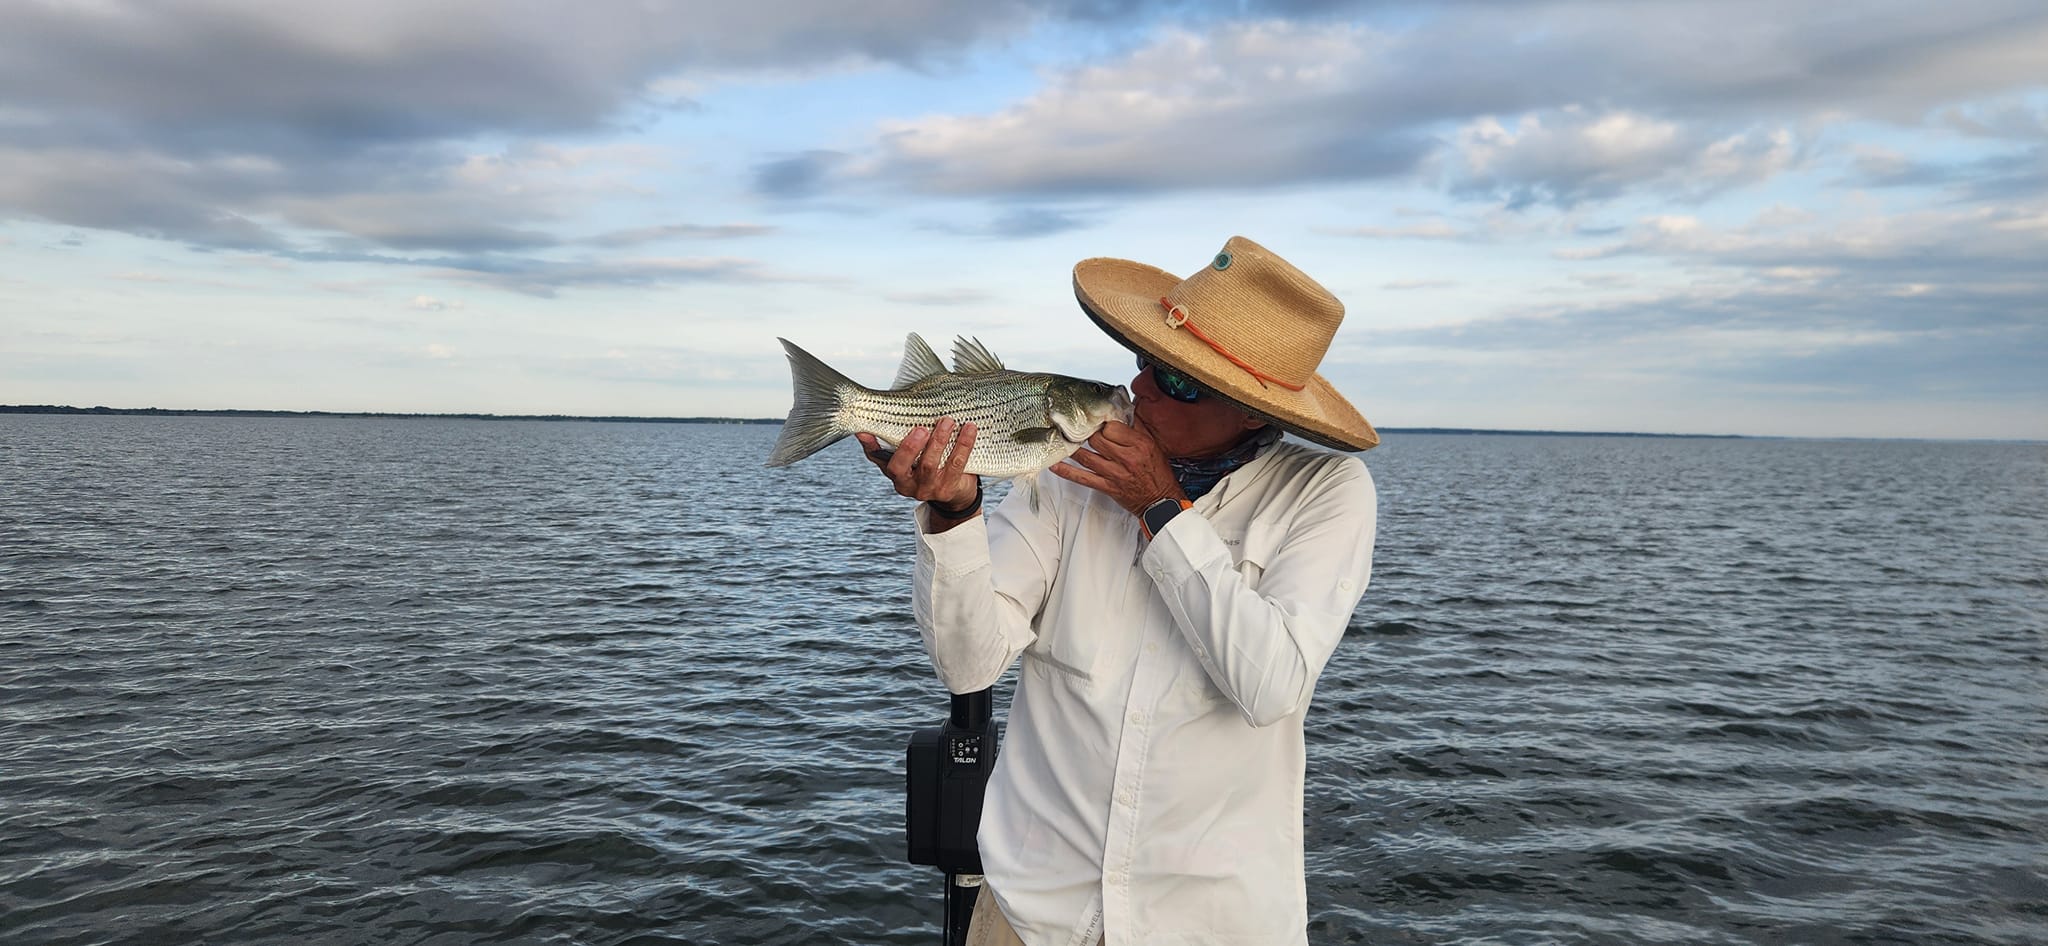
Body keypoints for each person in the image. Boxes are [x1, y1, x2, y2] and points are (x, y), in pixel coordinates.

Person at [858, 236, 1379, 945]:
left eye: (1181, 381)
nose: (1143, 389)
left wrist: (1160, 511)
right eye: (1147, 361)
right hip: (1030, 912)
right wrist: (955, 513)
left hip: (1212, 926)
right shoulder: (1064, 471)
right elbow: (968, 664)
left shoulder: (1327, 492)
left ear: (1255, 410)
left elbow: (1271, 685)